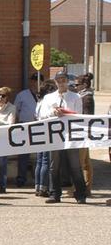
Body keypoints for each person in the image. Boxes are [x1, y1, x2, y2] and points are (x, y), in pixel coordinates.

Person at [39, 72, 87, 204]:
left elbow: (79, 115)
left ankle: (81, 194)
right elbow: (42, 115)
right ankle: (54, 193)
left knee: (75, 165)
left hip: (70, 135)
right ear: (55, 82)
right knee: (54, 166)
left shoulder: (75, 97)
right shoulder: (48, 98)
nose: (61, 82)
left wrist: (66, 113)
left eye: (63, 80)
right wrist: (53, 112)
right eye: (59, 80)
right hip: (54, 136)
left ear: (67, 81)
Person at [13, 74, 41, 187]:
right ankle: (21, 178)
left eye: (37, 81)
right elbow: (16, 110)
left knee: (41, 154)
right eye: (33, 81)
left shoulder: (45, 95)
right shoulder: (22, 95)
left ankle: (39, 180)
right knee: (23, 154)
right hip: (24, 126)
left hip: (40, 127)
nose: (35, 83)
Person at [34, 80, 57, 197]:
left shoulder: (39, 102)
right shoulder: (47, 102)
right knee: (45, 161)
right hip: (47, 132)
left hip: (39, 132)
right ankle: (43, 187)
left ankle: (38, 186)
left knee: (40, 160)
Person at [75, 73, 96, 190]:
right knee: (86, 161)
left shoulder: (86, 98)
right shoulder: (82, 96)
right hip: (83, 132)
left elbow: (87, 116)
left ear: (84, 85)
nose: (75, 86)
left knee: (80, 161)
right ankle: (87, 186)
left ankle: (80, 188)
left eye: (77, 84)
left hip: (82, 132)